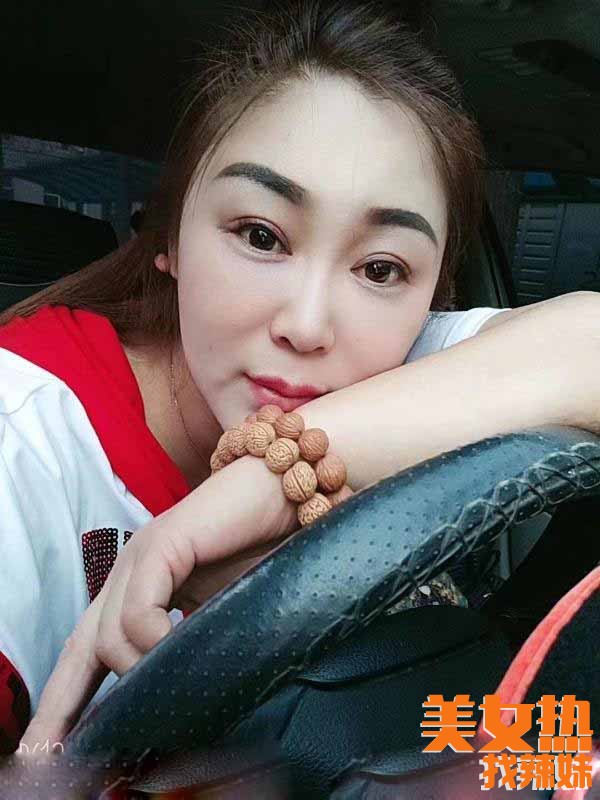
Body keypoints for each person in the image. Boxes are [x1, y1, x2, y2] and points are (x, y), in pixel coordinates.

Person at [0, 0, 598, 757]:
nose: (309, 326)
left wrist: (269, 474)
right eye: (261, 236)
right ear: (169, 236)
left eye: (380, 269)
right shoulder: (24, 431)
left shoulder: (410, 364)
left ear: (431, 295)